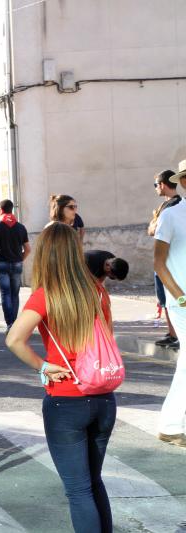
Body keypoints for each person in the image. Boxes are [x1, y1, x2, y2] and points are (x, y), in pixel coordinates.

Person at [6, 222, 116, 533]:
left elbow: (14, 339)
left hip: (66, 399)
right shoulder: (98, 293)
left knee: (78, 491)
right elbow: (107, 339)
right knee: (94, 483)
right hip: (104, 397)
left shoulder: (45, 296)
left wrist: (42, 366)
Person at [153, 160, 186, 447]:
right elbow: (159, 263)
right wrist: (181, 296)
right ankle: (171, 424)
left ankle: (174, 423)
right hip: (183, 302)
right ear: (184, 182)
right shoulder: (171, 216)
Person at [0, 199, 31, 330]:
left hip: (1, 264)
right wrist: (20, 260)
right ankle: (14, 323)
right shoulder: (21, 227)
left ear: (1, 210)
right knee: (14, 294)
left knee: (5, 294)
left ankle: (10, 324)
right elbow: (28, 249)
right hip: (16, 263)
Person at [149, 169, 181, 349]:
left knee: (173, 298)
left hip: (169, 261)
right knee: (164, 299)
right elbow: (151, 228)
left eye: (156, 185)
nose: (155, 189)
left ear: (162, 184)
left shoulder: (173, 207)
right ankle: (172, 333)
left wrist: (154, 223)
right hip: (163, 260)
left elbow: (154, 229)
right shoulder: (165, 206)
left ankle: (177, 334)